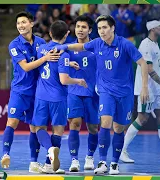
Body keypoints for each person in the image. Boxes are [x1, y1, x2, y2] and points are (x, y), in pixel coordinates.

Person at [55, 15, 149, 175]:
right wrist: (64, 48)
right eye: (99, 28)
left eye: (104, 27)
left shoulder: (125, 44)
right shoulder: (97, 43)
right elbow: (80, 47)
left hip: (124, 92)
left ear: (112, 28)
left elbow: (142, 63)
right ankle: (103, 161)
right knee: (105, 122)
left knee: (118, 127)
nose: (102, 31)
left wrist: (144, 87)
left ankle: (114, 163)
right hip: (105, 91)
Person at [119, 19, 160, 164]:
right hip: (147, 88)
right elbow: (149, 70)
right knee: (142, 119)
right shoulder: (145, 44)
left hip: (157, 89)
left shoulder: (156, 44)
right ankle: (121, 150)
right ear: (152, 29)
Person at [0, 11, 60, 173]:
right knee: (12, 122)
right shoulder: (14, 45)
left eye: (24, 22)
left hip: (38, 92)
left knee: (35, 127)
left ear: (31, 24)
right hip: (20, 91)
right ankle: (5, 154)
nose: (20, 26)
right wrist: (45, 58)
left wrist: (70, 65)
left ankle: (35, 162)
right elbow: (26, 67)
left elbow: (54, 57)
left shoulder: (41, 42)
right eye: (18, 23)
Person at [32, 20, 88, 173]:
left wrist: (68, 64)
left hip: (42, 96)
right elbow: (64, 79)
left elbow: (47, 64)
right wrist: (78, 80)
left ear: (50, 33)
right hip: (58, 98)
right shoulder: (64, 53)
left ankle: (49, 152)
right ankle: (50, 163)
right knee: (58, 131)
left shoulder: (42, 49)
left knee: (39, 128)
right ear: (67, 34)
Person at [66, 15, 99, 172]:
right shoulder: (69, 48)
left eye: (83, 27)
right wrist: (67, 63)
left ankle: (90, 157)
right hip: (74, 92)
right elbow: (58, 64)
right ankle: (74, 160)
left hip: (93, 93)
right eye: (78, 26)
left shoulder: (97, 48)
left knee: (93, 127)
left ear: (90, 30)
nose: (79, 30)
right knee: (75, 124)